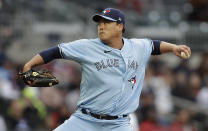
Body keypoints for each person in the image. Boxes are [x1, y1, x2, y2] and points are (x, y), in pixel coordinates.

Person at [22, 8, 191, 131]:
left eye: (106, 23)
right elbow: (55, 51)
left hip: (119, 125)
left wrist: (173, 47)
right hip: (85, 120)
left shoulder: (137, 46)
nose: (101, 26)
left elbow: (154, 45)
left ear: (120, 26)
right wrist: (29, 65)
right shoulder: (87, 46)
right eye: (99, 23)